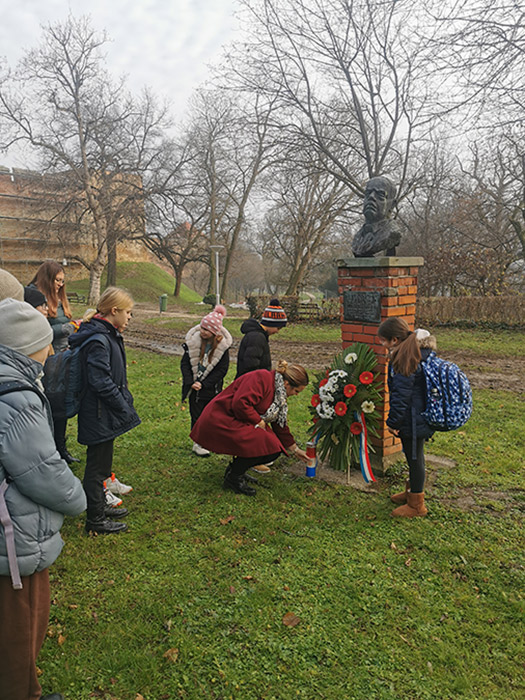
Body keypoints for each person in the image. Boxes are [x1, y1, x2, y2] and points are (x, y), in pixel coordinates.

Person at [0, 297, 86, 700]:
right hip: (14, 538)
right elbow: (43, 471)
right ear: (24, 347)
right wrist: (80, 498)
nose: (50, 351)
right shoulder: (16, 399)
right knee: (20, 626)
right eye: (43, 343)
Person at [69, 287, 141, 534]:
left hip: (104, 412)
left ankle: (99, 506)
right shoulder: (99, 339)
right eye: (128, 312)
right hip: (98, 413)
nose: (129, 317)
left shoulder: (108, 335)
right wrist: (122, 406)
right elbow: (100, 381)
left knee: (102, 465)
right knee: (96, 467)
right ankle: (95, 520)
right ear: (114, 310)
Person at [190, 361, 309, 496]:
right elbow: (240, 403)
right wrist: (258, 420)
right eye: (296, 391)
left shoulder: (279, 393)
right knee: (267, 444)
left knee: (275, 447)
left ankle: (236, 470)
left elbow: (279, 424)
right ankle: (233, 478)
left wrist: (295, 449)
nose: (296, 394)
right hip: (221, 418)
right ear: (287, 384)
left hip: (238, 419)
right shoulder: (262, 378)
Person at [377, 317, 435, 517]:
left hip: (412, 418)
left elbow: (401, 397)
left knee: (415, 458)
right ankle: (411, 492)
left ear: (394, 340)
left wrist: (393, 422)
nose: (382, 344)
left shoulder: (405, 358)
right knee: (413, 456)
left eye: (383, 340)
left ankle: (416, 505)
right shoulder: (411, 352)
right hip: (415, 416)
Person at [28, 260, 80, 464]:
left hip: (62, 358)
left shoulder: (58, 297)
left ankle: (60, 447)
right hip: (45, 359)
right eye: (57, 280)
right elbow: (36, 329)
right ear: (47, 279)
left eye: (63, 281)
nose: (60, 284)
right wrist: (67, 328)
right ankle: (47, 450)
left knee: (61, 403)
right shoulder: (34, 297)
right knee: (48, 405)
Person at [236, 298, 288, 474]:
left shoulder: (258, 336)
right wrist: (261, 385)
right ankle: (252, 458)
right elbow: (251, 366)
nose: (278, 331)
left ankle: (251, 457)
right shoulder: (257, 338)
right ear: (272, 324)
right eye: (279, 327)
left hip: (252, 386)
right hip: (251, 387)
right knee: (252, 424)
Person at [181, 304, 232, 457]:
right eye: (202, 328)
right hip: (194, 388)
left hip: (211, 388)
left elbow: (221, 370)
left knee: (210, 416)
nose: (203, 331)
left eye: (207, 330)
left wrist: (204, 384)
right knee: (196, 415)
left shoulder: (222, 348)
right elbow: (185, 364)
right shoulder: (193, 343)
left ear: (214, 332)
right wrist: (191, 382)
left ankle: (209, 440)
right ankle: (198, 443)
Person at [351, 176, 402, 258]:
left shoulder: (392, 233)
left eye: (380, 195)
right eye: (368, 193)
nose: (371, 197)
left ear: (392, 205)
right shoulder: (358, 237)